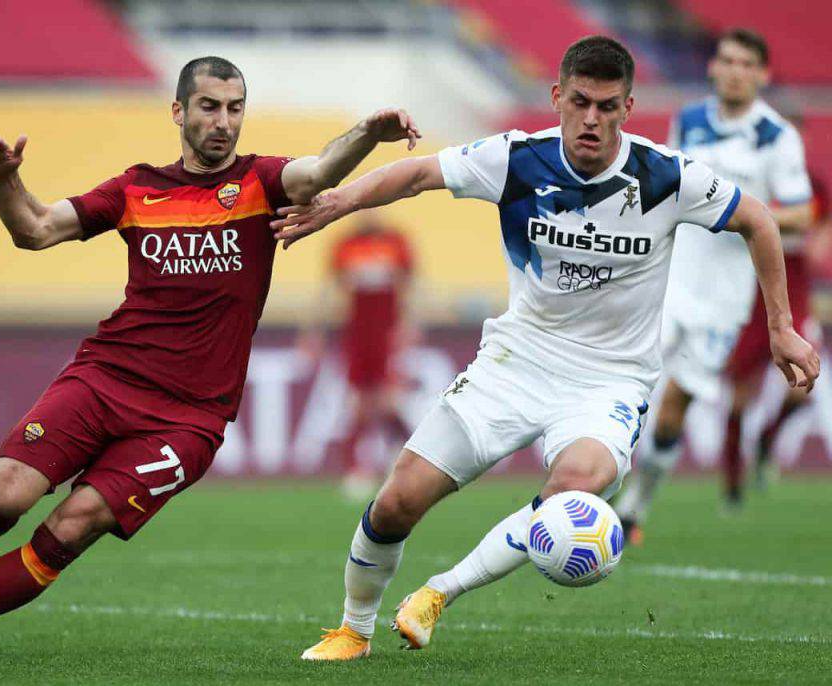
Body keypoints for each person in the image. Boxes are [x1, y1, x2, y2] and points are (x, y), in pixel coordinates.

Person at [270, 36, 818, 660]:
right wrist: (340, 200)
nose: (592, 119)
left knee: (575, 488)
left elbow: (759, 220)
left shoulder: (663, 175)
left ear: (628, 108)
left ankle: (439, 592)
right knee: (396, 502)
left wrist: (781, 326)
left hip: (608, 382)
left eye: (607, 106)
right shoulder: (516, 159)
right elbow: (420, 173)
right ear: (557, 98)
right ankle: (353, 629)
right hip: (516, 362)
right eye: (580, 101)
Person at [0, 56, 420, 665]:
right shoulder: (135, 189)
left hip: (188, 418)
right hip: (106, 377)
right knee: (6, 495)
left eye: (234, 108)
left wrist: (367, 132)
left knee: (74, 523)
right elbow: (34, 229)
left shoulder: (259, 182)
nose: (223, 121)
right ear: (178, 111)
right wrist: (3, 178)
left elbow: (320, 171)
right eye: (209, 106)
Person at [614, 29, 814, 538]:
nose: (735, 70)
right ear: (713, 67)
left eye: (747, 63)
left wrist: (741, 212)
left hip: (727, 299)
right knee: (624, 385)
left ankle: (637, 502)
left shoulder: (776, 137)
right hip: (669, 281)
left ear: (762, 74)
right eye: (727, 60)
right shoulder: (691, 120)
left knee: (674, 408)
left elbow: (802, 213)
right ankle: (590, 484)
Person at [725, 168, 828, 492]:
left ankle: (767, 442)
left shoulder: (812, 186)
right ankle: (733, 481)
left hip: (793, 300)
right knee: (739, 400)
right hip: (749, 300)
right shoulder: (749, 177)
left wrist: (816, 237)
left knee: (802, 387)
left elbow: (819, 224)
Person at [302, 210, 416, 497]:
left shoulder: (396, 241)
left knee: (387, 400)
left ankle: (408, 462)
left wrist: (409, 325)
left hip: (386, 333)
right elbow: (329, 290)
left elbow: (409, 287)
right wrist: (314, 331)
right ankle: (359, 469)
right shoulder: (345, 244)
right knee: (359, 402)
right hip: (357, 333)